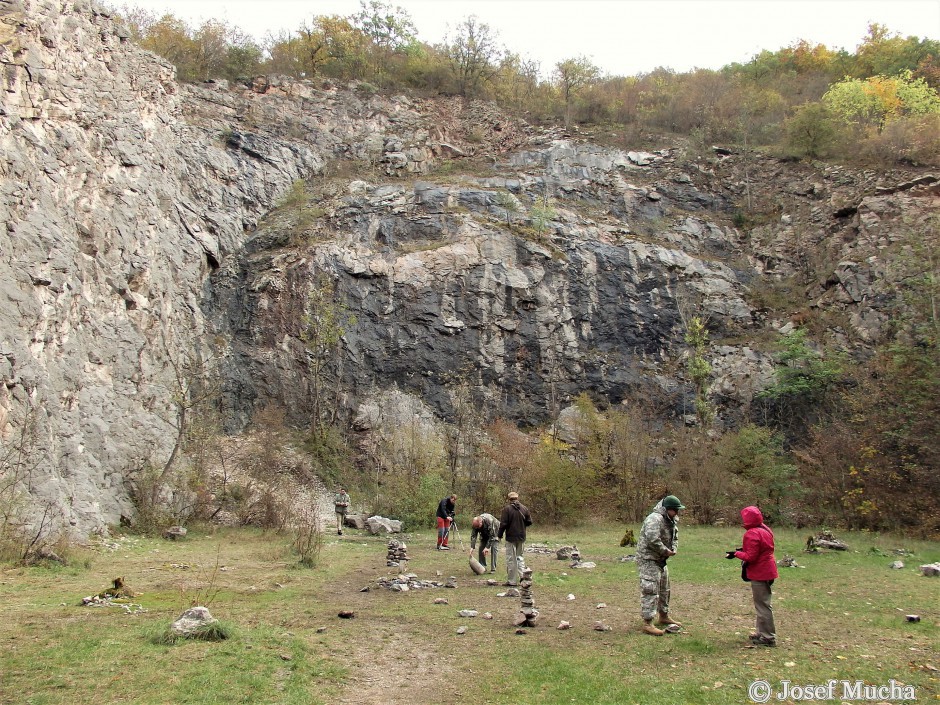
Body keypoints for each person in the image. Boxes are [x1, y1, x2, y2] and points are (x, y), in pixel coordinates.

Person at [727, 505, 778, 647]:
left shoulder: (752, 533)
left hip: (760, 572)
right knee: (762, 604)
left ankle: (768, 637)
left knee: (762, 605)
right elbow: (759, 550)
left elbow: (751, 557)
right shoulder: (765, 529)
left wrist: (736, 554)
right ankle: (761, 633)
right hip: (768, 570)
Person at [636, 495, 685, 636]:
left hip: (661, 560)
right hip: (648, 559)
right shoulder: (654, 519)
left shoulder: (671, 520)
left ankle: (664, 615)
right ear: (667, 509)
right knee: (650, 589)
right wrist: (665, 551)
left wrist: (673, 549)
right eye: (675, 510)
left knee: (665, 588)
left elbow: (675, 537)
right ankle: (648, 622)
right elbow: (652, 539)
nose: (677, 513)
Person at [497, 491, 532, 587]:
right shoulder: (524, 508)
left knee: (511, 559)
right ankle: (523, 577)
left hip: (511, 537)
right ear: (517, 498)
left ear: (509, 499)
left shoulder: (507, 509)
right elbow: (529, 522)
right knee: (520, 557)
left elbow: (503, 524)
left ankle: (512, 581)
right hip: (521, 536)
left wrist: (499, 535)